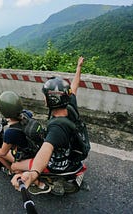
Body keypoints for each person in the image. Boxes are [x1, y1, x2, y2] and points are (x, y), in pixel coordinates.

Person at [11, 56, 85, 195]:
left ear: (52, 99)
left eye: (45, 96)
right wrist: (78, 68)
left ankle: (39, 184)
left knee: (15, 166)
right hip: (69, 148)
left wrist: (32, 174)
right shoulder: (70, 104)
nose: (43, 98)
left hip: (58, 163)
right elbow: (74, 86)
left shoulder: (57, 128)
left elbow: (45, 151)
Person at [0, 90, 51, 194]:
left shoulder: (10, 132)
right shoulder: (26, 114)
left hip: (28, 155)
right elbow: (26, 115)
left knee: (3, 158)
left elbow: (3, 152)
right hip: (38, 147)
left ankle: (37, 183)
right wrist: (6, 121)